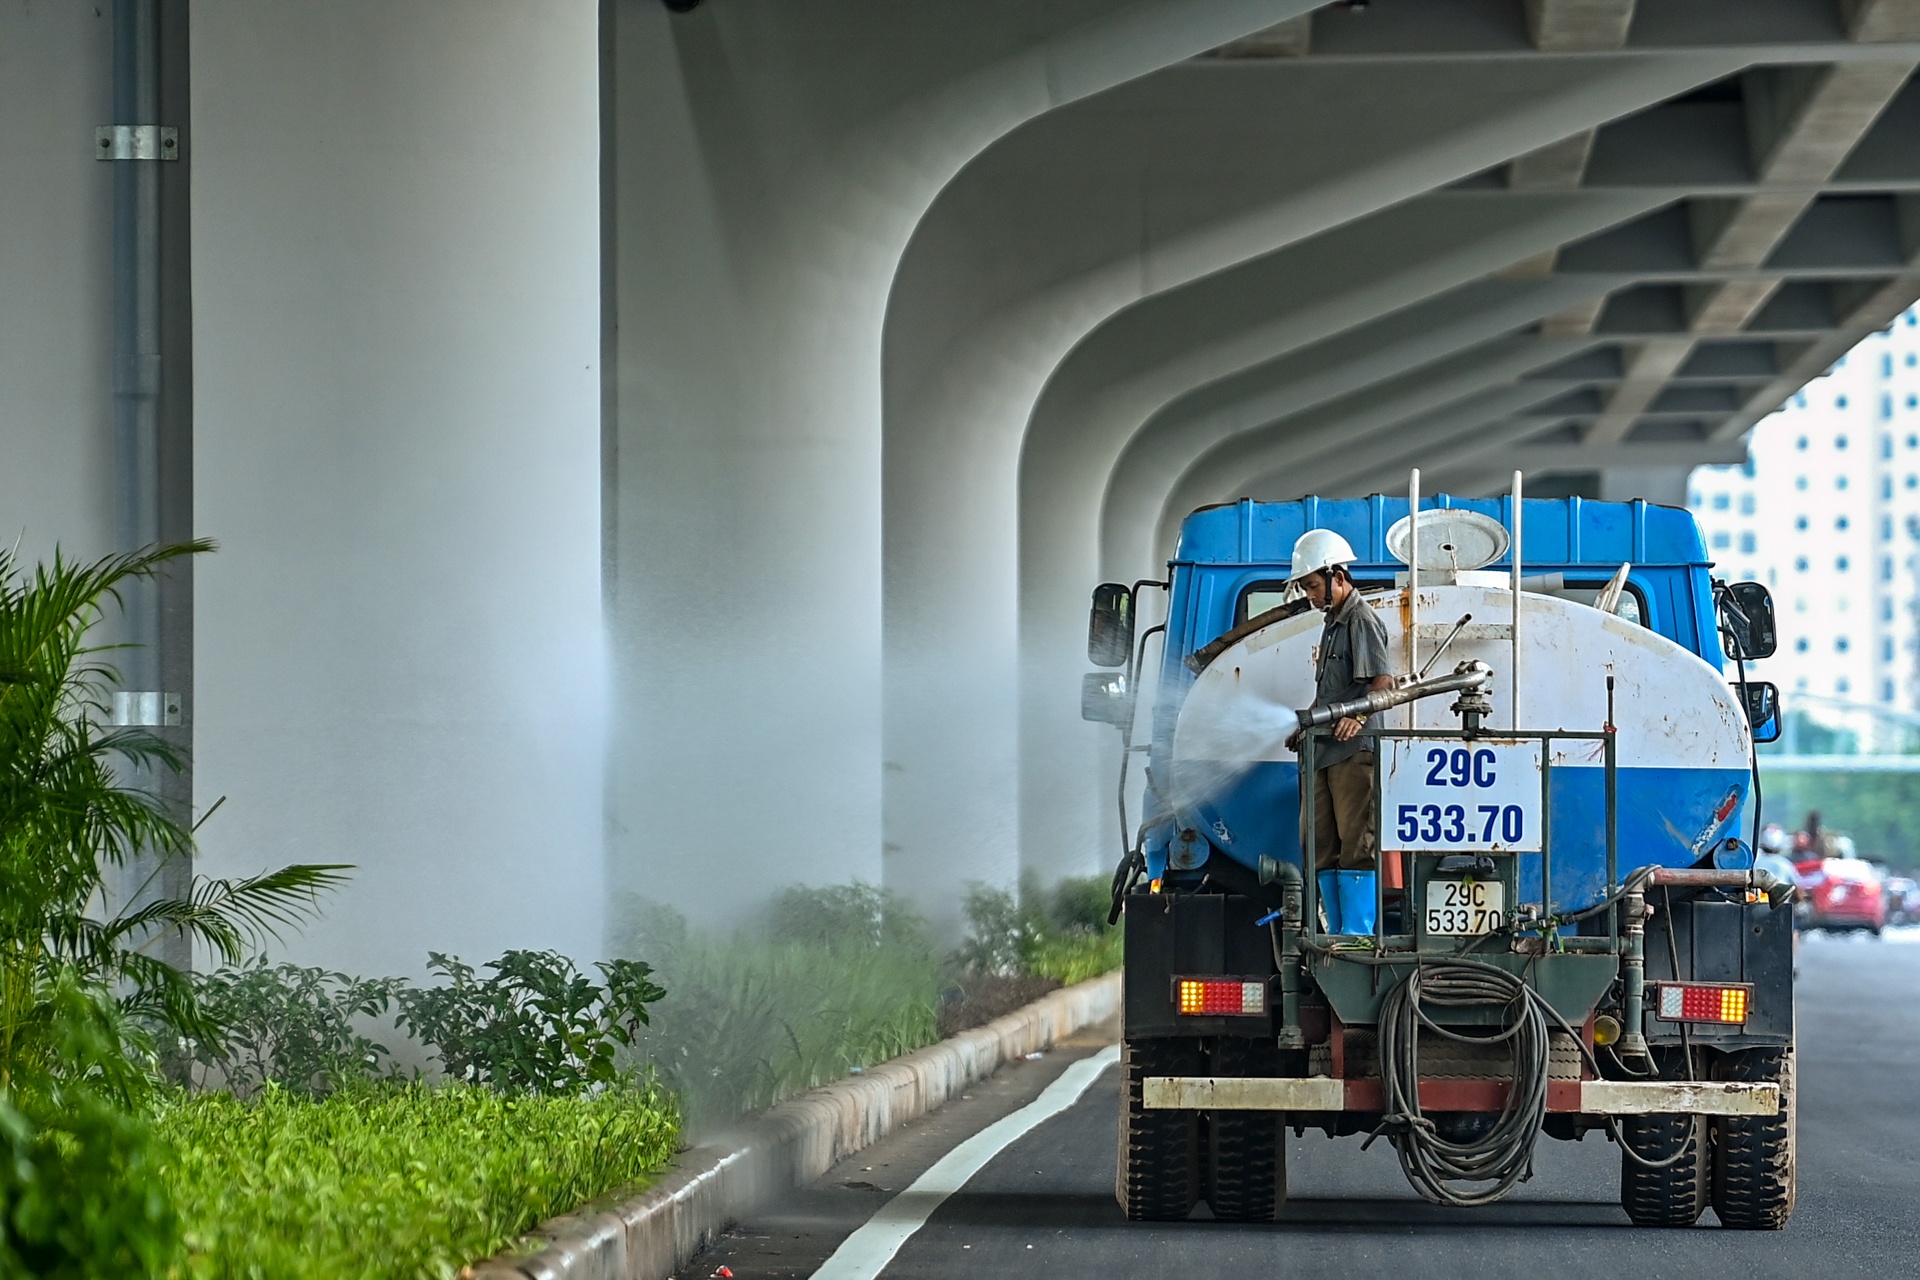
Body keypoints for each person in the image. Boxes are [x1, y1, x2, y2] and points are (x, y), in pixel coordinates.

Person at [1283, 529, 1394, 934]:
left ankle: (1357, 933)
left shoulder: (1361, 620)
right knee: (1321, 844)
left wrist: (1359, 717)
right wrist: (1305, 725)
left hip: (1352, 750)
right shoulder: (1332, 623)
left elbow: (1383, 682)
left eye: (1313, 586)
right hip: (1324, 749)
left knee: (1355, 843)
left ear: (1337, 577)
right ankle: (1334, 930)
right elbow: (1329, 690)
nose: (1310, 595)